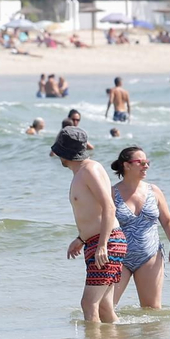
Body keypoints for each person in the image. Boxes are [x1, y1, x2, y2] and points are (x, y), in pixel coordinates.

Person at [52, 126, 125, 323]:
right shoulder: (83, 172)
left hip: (106, 242)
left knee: (89, 304)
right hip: (98, 240)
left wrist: (102, 245)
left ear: (64, 153)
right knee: (103, 305)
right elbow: (94, 212)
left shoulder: (89, 170)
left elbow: (109, 207)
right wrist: (81, 238)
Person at [104, 146, 170, 309]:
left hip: (150, 256)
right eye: (140, 162)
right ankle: (111, 335)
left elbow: (168, 221)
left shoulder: (153, 191)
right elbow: (101, 223)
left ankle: (149, 336)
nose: (146, 166)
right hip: (120, 257)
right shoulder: (111, 193)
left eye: (147, 162)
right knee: (106, 308)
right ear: (126, 165)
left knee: (151, 310)